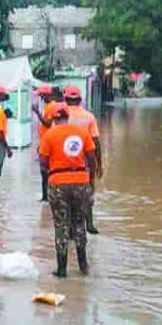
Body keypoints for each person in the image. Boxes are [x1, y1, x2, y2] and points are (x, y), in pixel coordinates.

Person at [39, 104, 98, 277]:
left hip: (57, 182)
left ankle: (62, 269)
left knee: (61, 225)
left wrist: (52, 173)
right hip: (81, 182)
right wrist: (90, 180)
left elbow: (42, 162)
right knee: (79, 223)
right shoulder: (82, 132)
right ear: (67, 116)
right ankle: (83, 266)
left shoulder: (49, 134)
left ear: (54, 119)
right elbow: (92, 158)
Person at [64, 85, 102, 234]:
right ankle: (89, 224)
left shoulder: (61, 116)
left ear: (65, 99)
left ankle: (70, 228)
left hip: (64, 162)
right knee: (88, 191)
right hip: (85, 162)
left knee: (67, 195)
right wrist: (99, 164)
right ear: (80, 100)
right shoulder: (89, 117)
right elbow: (95, 142)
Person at [32, 84, 61, 202]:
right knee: (45, 171)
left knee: (45, 171)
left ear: (45, 95)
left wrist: (37, 112)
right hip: (46, 142)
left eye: (41, 96)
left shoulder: (51, 106)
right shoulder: (50, 106)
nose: (40, 98)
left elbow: (48, 124)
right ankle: (46, 197)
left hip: (48, 143)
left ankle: (47, 197)